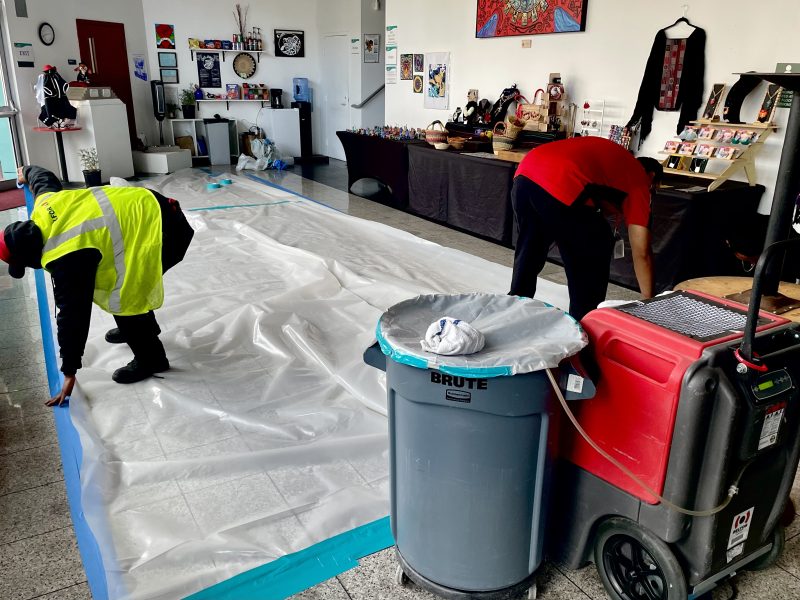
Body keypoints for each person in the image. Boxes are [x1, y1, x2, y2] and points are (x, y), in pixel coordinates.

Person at [0, 166, 194, 406]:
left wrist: (69, 371)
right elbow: (42, 178)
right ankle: (141, 329)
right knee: (123, 282)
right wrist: (25, 171)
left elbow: (73, 317)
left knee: (123, 297)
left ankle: (151, 358)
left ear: (30, 257)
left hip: (164, 230)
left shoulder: (65, 257)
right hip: (153, 205)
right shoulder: (44, 206)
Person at [509, 136, 663, 321]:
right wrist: (650, 300)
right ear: (652, 177)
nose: (651, 195)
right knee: (594, 251)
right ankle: (585, 324)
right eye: (654, 189)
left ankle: (513, 310)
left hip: (525, 173)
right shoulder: (639, 179)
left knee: (530, 248)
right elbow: (642, 252)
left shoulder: (616, 165)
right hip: (562, 180)